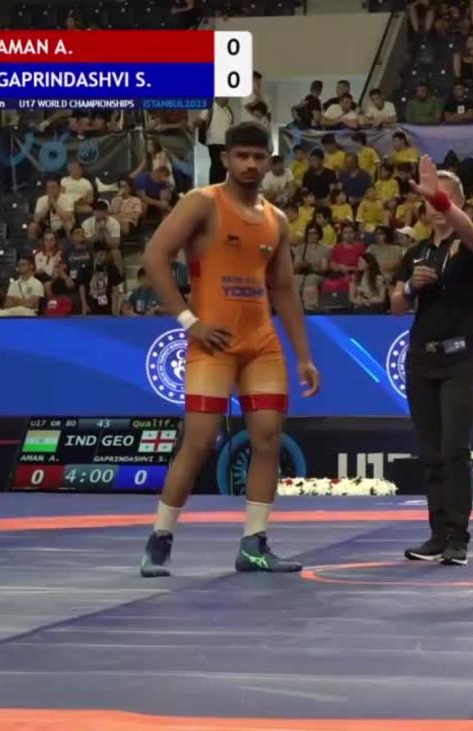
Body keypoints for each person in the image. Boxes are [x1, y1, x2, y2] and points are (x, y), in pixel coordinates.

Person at [138, 122, 322, 578]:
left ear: (269, 161)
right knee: (199, 439)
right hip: (212, 342)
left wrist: (303, 355)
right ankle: (160, 538)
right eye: (242, 155)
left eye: (258, 157)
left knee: (267, 438)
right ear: (226, 158)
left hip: (261, 344)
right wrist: (189, 321)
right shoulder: (202, 202)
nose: (250, 164)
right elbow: (155, 256)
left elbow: (284, 290)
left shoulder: (275, 219)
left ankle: (254, 545)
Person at [389, 155, 473, 567]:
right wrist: (410, 289)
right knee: (430, 451)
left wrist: (444, 201)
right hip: (422, 357)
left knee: (454, 448)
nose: (435, 204)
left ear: (460, 204)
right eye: (430, 198)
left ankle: (457, 538)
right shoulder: (416, 252)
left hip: (461, 358)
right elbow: (395, 306)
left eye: (444, 198)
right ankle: (436, 534)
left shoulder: (470, 245)